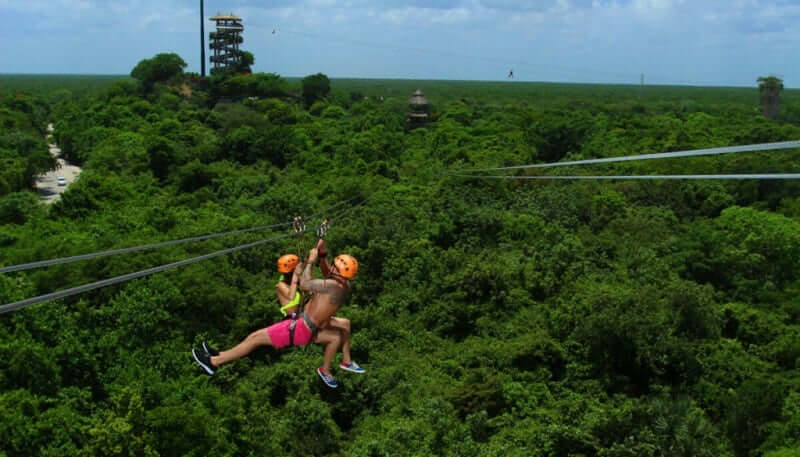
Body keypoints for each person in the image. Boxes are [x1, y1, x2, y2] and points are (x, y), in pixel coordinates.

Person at [192, 245, 361, 388]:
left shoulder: (331, 286)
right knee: (336, 334)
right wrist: (321, 251)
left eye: (334, 267)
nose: (330, 268)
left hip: (300, 327)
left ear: (337, 272)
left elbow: (305, 284)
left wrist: (310, 261)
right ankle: (219, 354)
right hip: (309, 328)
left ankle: (213, 362)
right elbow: (326, 272)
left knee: (255, 339)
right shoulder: (343, 287)